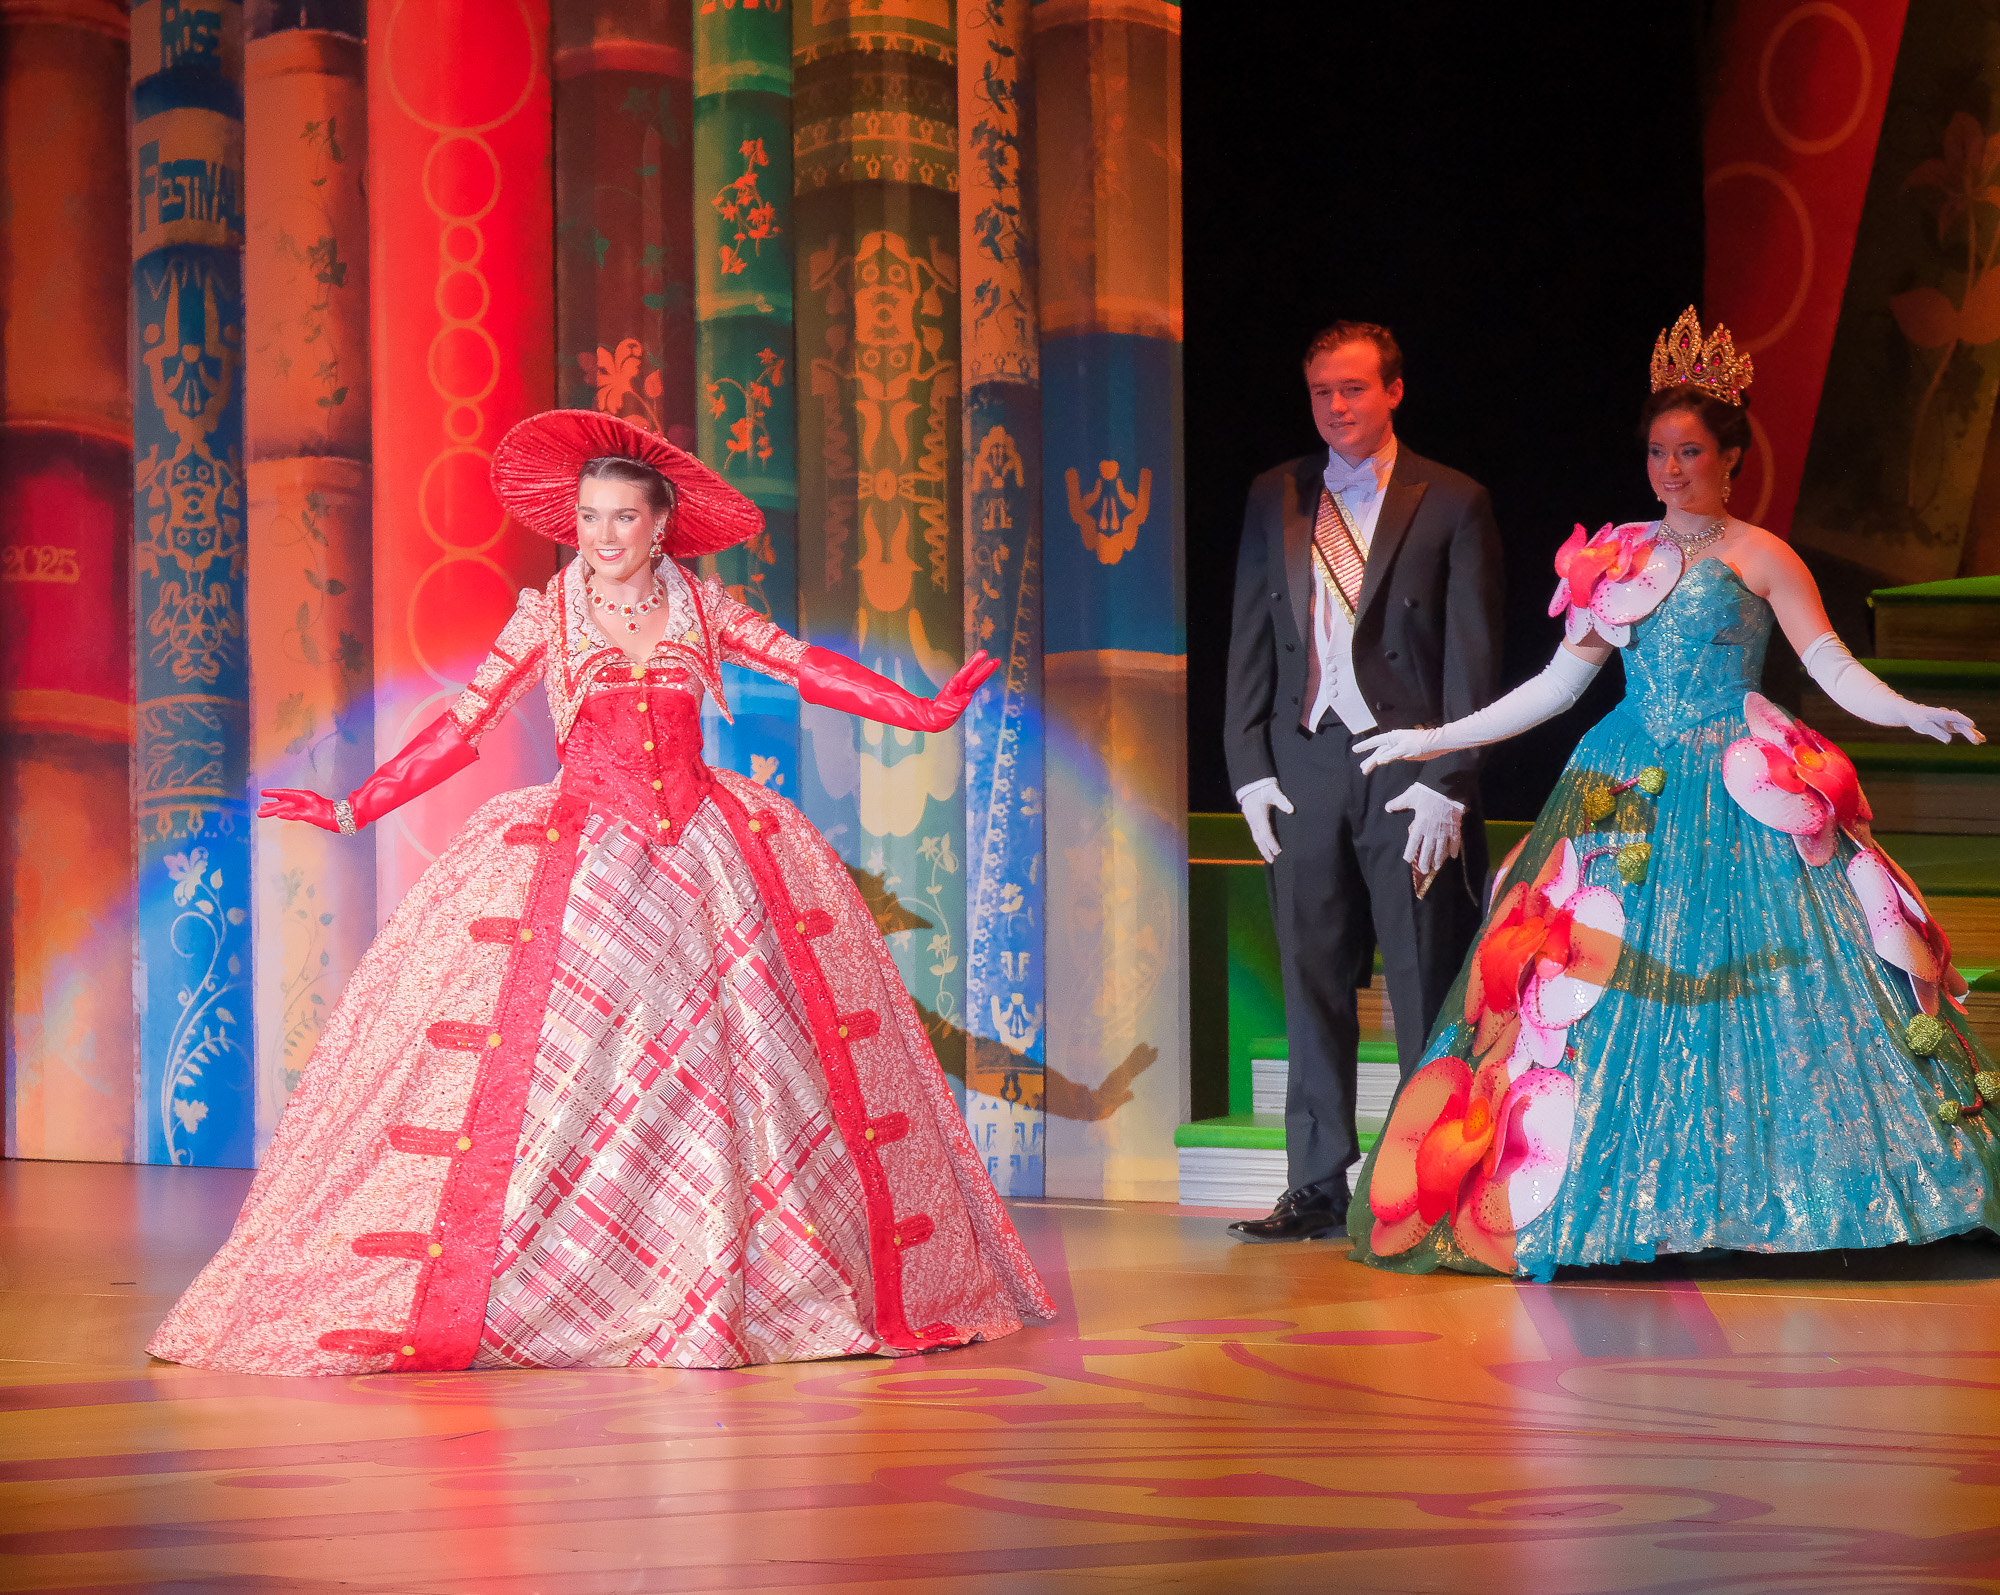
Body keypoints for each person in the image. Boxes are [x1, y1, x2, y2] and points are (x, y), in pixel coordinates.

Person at [150, 411, 1054, 1372]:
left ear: (660, 523)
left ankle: (706, 1279)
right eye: (589, 517)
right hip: (584, 860)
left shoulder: (700, 608)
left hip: (705, 859)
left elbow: (803, 665)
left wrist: (921, 709)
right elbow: (461, 728)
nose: (604, 535)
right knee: (569, 1080)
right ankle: (567, 1277)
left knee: (718, 1078)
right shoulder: (549, 611)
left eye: (623, 516)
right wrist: (350, 808)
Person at [1345, 308, 1997, 1280]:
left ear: (1730, 457)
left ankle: (1786, 1202)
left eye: (1688, 451)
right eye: (1656, 452)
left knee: (1775, 995)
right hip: (1626, 788)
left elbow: (1832, 666)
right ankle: (1596, 1205)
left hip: (1740, 789)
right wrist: (1432, 736)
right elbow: (1556, 686)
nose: (1669, 470)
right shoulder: (1616, 556)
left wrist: (1907, 711)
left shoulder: (1760, 555)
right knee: (1599, 995)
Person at [1223, 321, 1505, 1242]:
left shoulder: (1453, 500)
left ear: (1392, 390)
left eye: (1352, 389)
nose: (1336, 408)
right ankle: (1314, 1181)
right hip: (1303, 758)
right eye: (1321, 393)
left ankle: (1428, 1178)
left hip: (1408, 758)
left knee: (1423, 971)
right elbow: (1252, 643)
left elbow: (1472, 654)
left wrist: (1450, 774)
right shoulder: (1277, 493)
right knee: (1309, 968)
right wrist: (1248, 767)